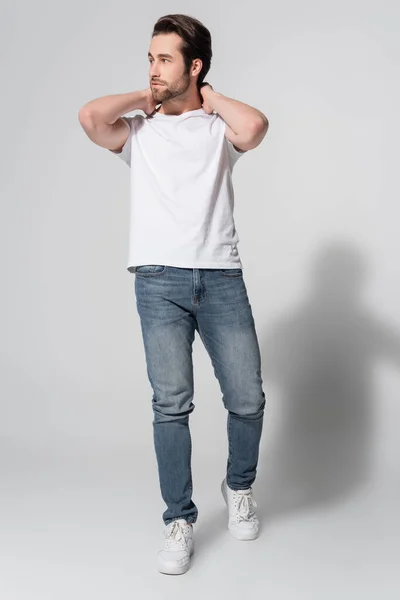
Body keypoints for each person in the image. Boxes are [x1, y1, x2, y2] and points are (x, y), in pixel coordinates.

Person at [78, 13, 269, 575]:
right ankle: (178, 520)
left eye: (165, 59)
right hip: (159, 282)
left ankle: (239, 488)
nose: (154, 68)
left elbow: (255, 127)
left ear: (195, 65)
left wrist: (206, 96)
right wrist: (149, 94)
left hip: (220, 277)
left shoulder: (217, 133)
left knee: (248, 397)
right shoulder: (140, 132)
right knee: (171, 405)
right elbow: (91, 117)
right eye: (150, 58)